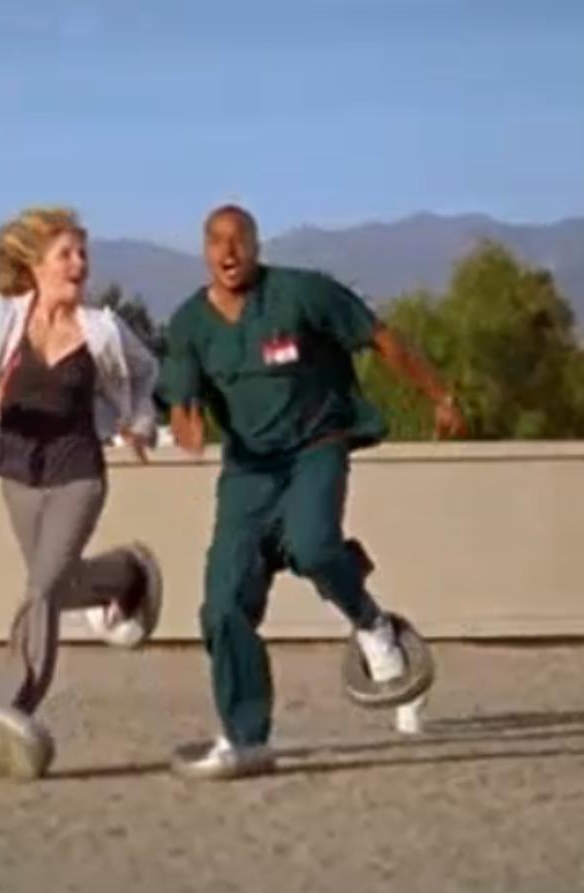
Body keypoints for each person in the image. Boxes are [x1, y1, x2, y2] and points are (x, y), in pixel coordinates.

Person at [159, 204, 467, 779]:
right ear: (204, 250)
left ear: (257, 245)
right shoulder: (189, 324)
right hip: (248, 472)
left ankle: (374, 626)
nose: (228, 251)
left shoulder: (301, 294)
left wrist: (439, 396)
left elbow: (381, 338)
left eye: (239, 239)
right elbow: (180, 390)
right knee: (222, 607)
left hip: (315, 447)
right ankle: (246, 738)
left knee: (312, 545)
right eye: (217, 241)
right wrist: (184, 419)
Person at [0, 206, 163, 781]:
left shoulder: (102, 330)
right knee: (55, 588)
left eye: (83, 254)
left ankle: (13, 704)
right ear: (36, 265)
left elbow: (145, 371)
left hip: (77, 473)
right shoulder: (4, 322)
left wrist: (139, 421)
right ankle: (124, 575)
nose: (78, 264)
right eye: (66, 254)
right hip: (18, 476)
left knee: (39, 589)